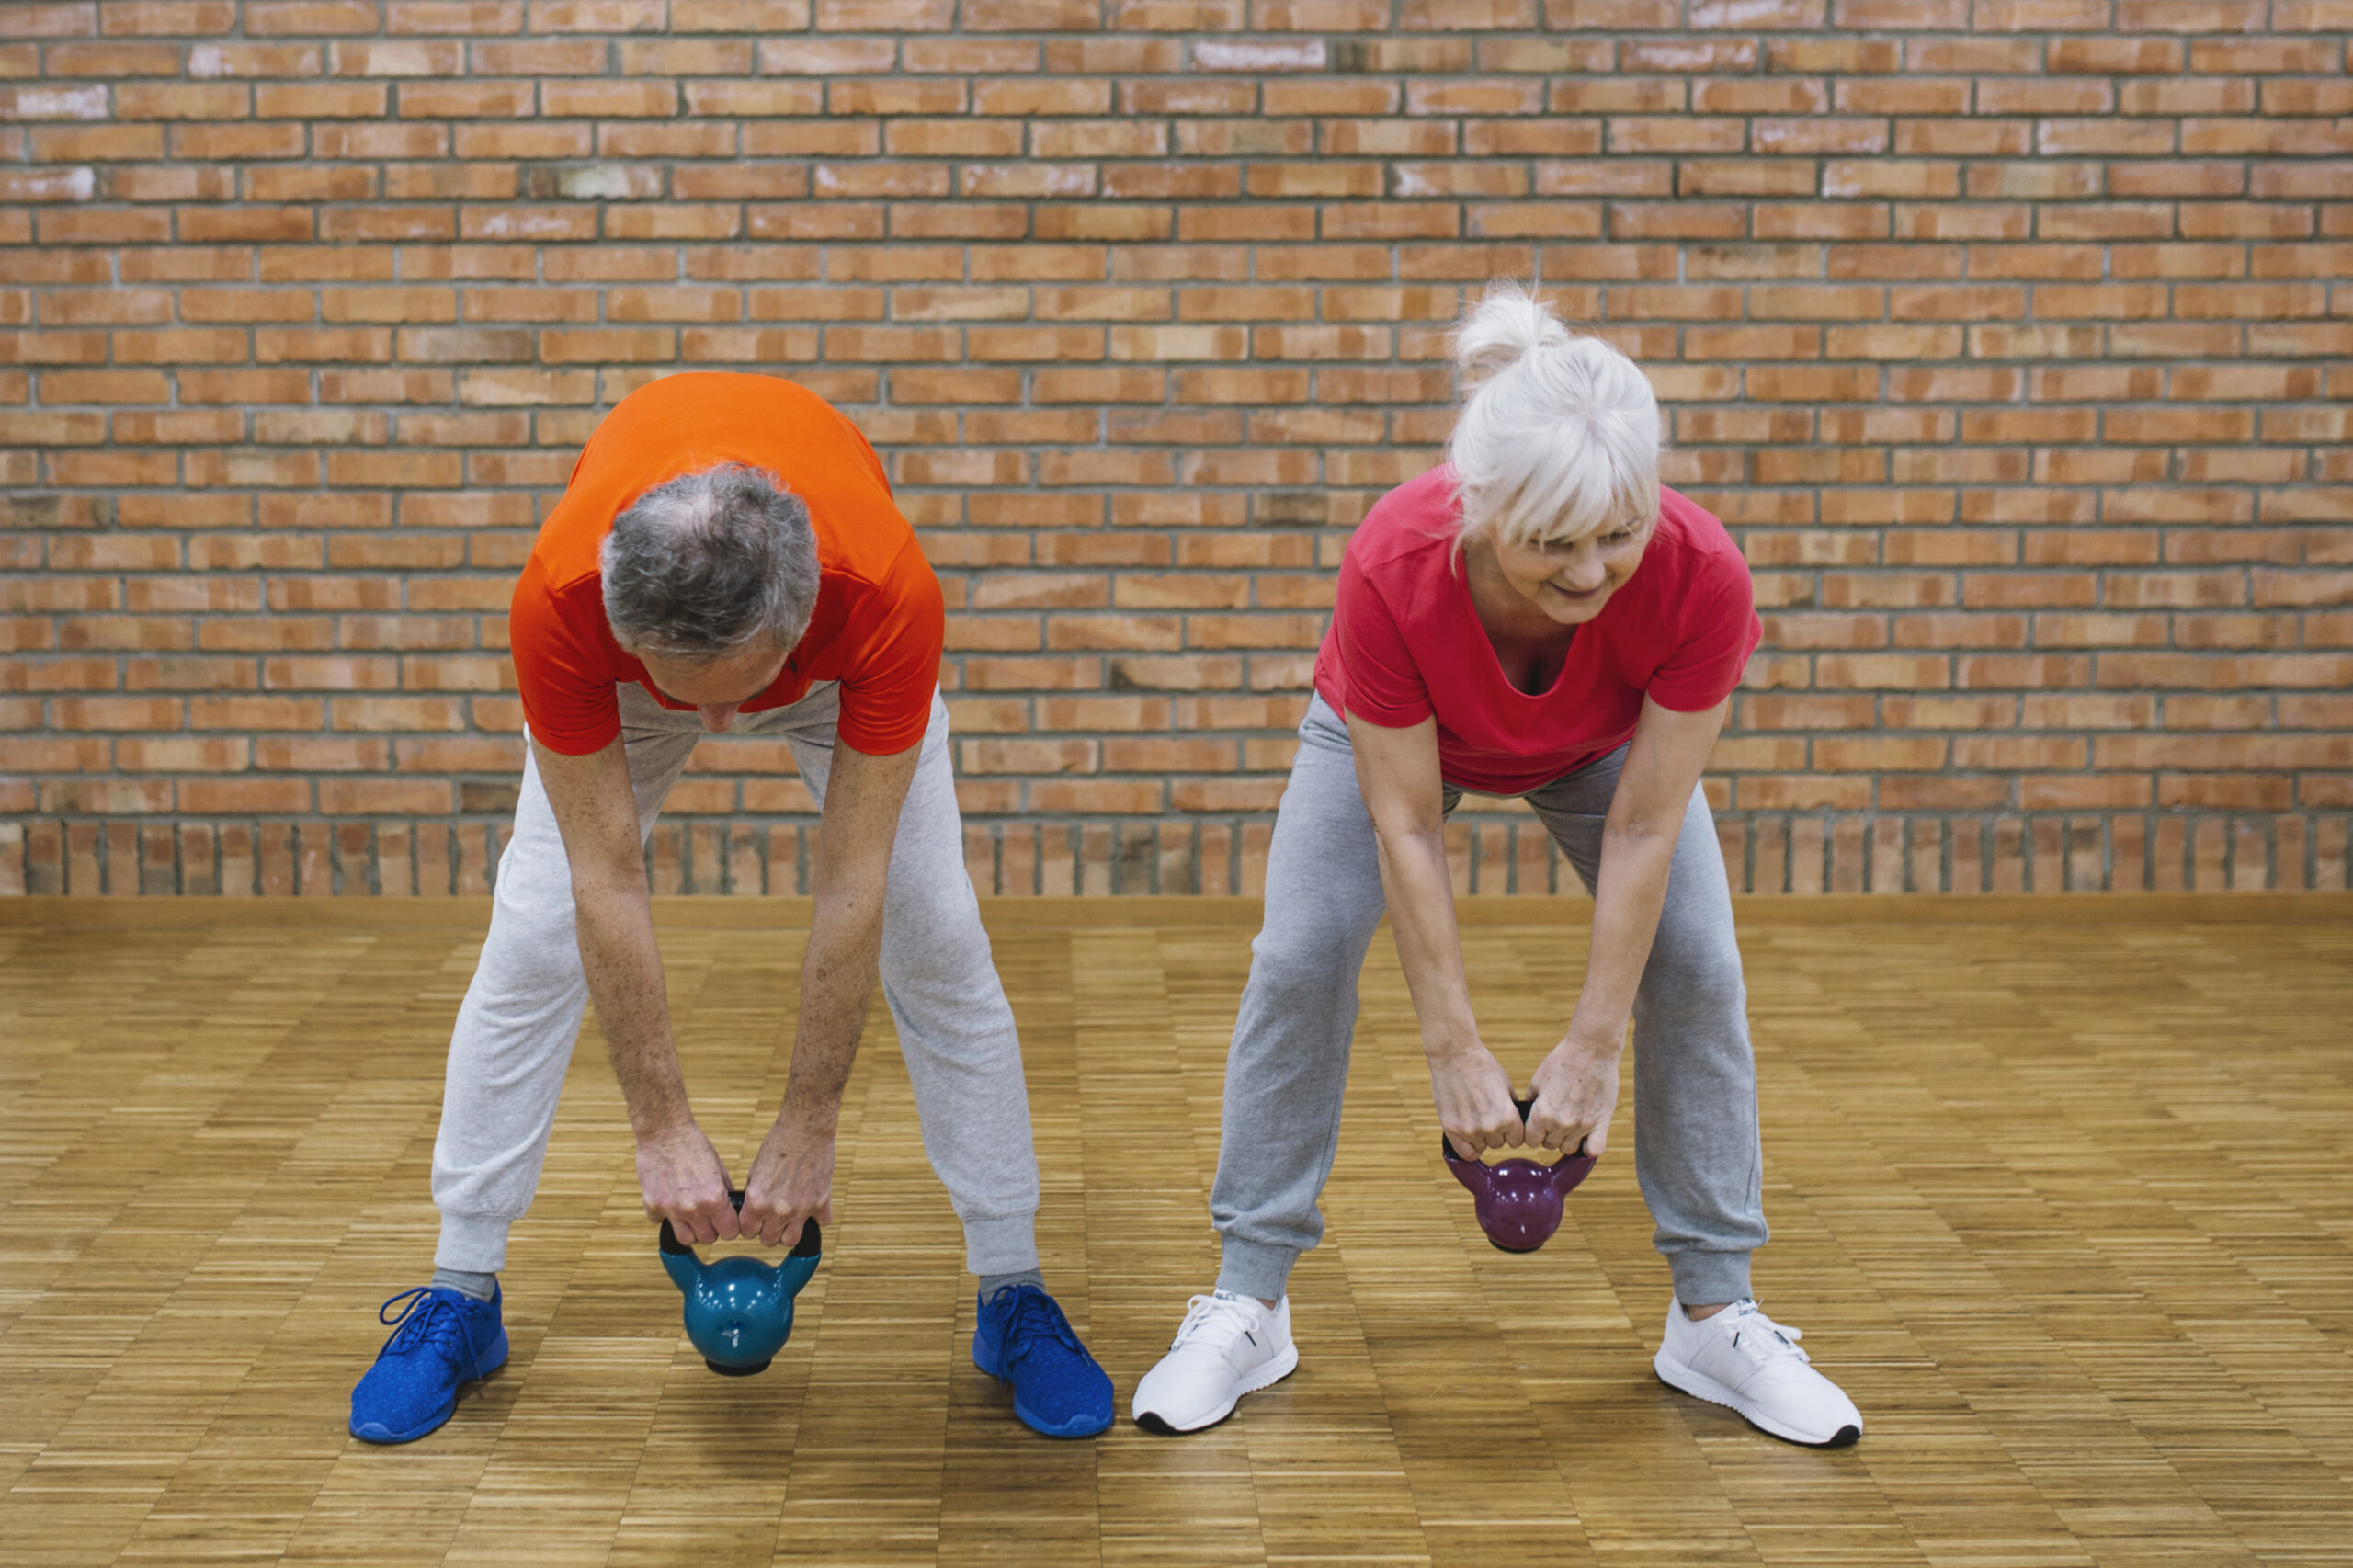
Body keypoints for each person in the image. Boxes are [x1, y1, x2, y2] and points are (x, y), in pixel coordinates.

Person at [1130, 285, 1863, 1448]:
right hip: (1403, 735)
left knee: (1698, 961)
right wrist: (1454, 1047)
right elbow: (1408, 826)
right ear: (1479, 512)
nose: (1591, 574)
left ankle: (1715, 1311)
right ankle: (1249, 1297)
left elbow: (1641, 825)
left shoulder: (1700, 574)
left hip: (1603, 746)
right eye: (1552, 546)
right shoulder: (1394, 561)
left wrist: (1592, 1042)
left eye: (1617, 533)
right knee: (1300, 951)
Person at [348, 372, 1112, 1444]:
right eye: (686, 690)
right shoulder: (563, 599)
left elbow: (855, 883)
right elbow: (603, 880)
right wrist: (659, 1124)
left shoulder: (882, 593)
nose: (713, 724)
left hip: (830, 673)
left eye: (732, 693)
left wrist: (810, 1122)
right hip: (622, 673)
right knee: (528, 939)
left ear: (791, 616)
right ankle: (460, 1290)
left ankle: (1013, 1288)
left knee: (933, 930)